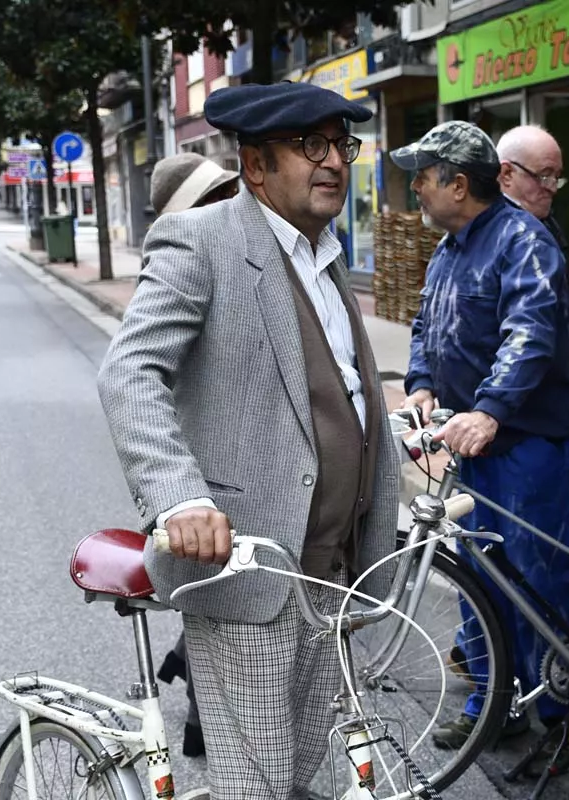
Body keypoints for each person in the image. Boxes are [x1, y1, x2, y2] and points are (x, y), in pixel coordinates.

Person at [96, 81, 400, 800]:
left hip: (332, 571)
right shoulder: (202, 242)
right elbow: (129, 371)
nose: (333, 162)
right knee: (258, 788)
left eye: (340, 145)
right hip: (247, 571)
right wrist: (179, 499)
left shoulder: (325, 256)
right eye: (310, 146)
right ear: (256, 165)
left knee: (308, 781)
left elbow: (329, 386)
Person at [392, 120, 569, 774]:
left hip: (533, 441)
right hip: (478, 439)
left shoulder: (521, 240)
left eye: (421, 178)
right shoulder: (451, 246)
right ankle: (494, 702)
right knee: (482, 576)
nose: (415, 190)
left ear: (458, 183)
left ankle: (566, 720)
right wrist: (423, 385)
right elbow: (427, 324)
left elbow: (531, 335)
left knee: (540, 582)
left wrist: (489, 410)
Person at [139, 151, 241, 758]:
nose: (232, 198)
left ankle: (201, 701)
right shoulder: (182, 261)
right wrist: (179, 494)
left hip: (230, 470)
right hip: (200, 478)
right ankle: (207, 718)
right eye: (219, 192)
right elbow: (138, 377)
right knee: (216, 610)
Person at [496, 124, 569, 360]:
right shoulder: (494, 234)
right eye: (543, 176)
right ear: (506, 174)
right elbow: (525, 330)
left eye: (556, 177)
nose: (552, 188)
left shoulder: (545, 221)